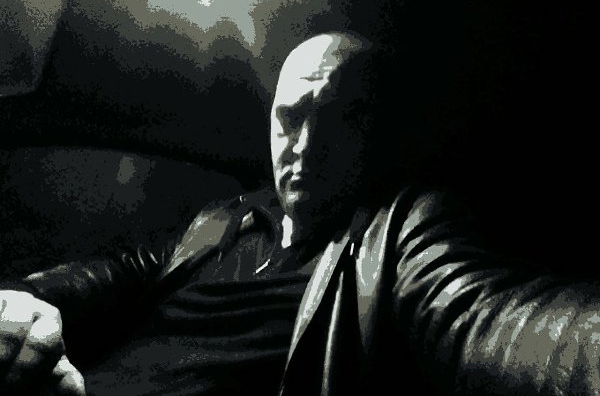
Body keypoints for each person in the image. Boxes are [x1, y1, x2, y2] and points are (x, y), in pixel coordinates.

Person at [1, 31, 600, 396]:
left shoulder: (396, 232)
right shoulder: (223, 221)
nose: (307, 147)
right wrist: (20, 300)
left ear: (378, 135)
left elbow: (487, 317)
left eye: (341, 120)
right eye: (291, 117)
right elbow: (115, 272)